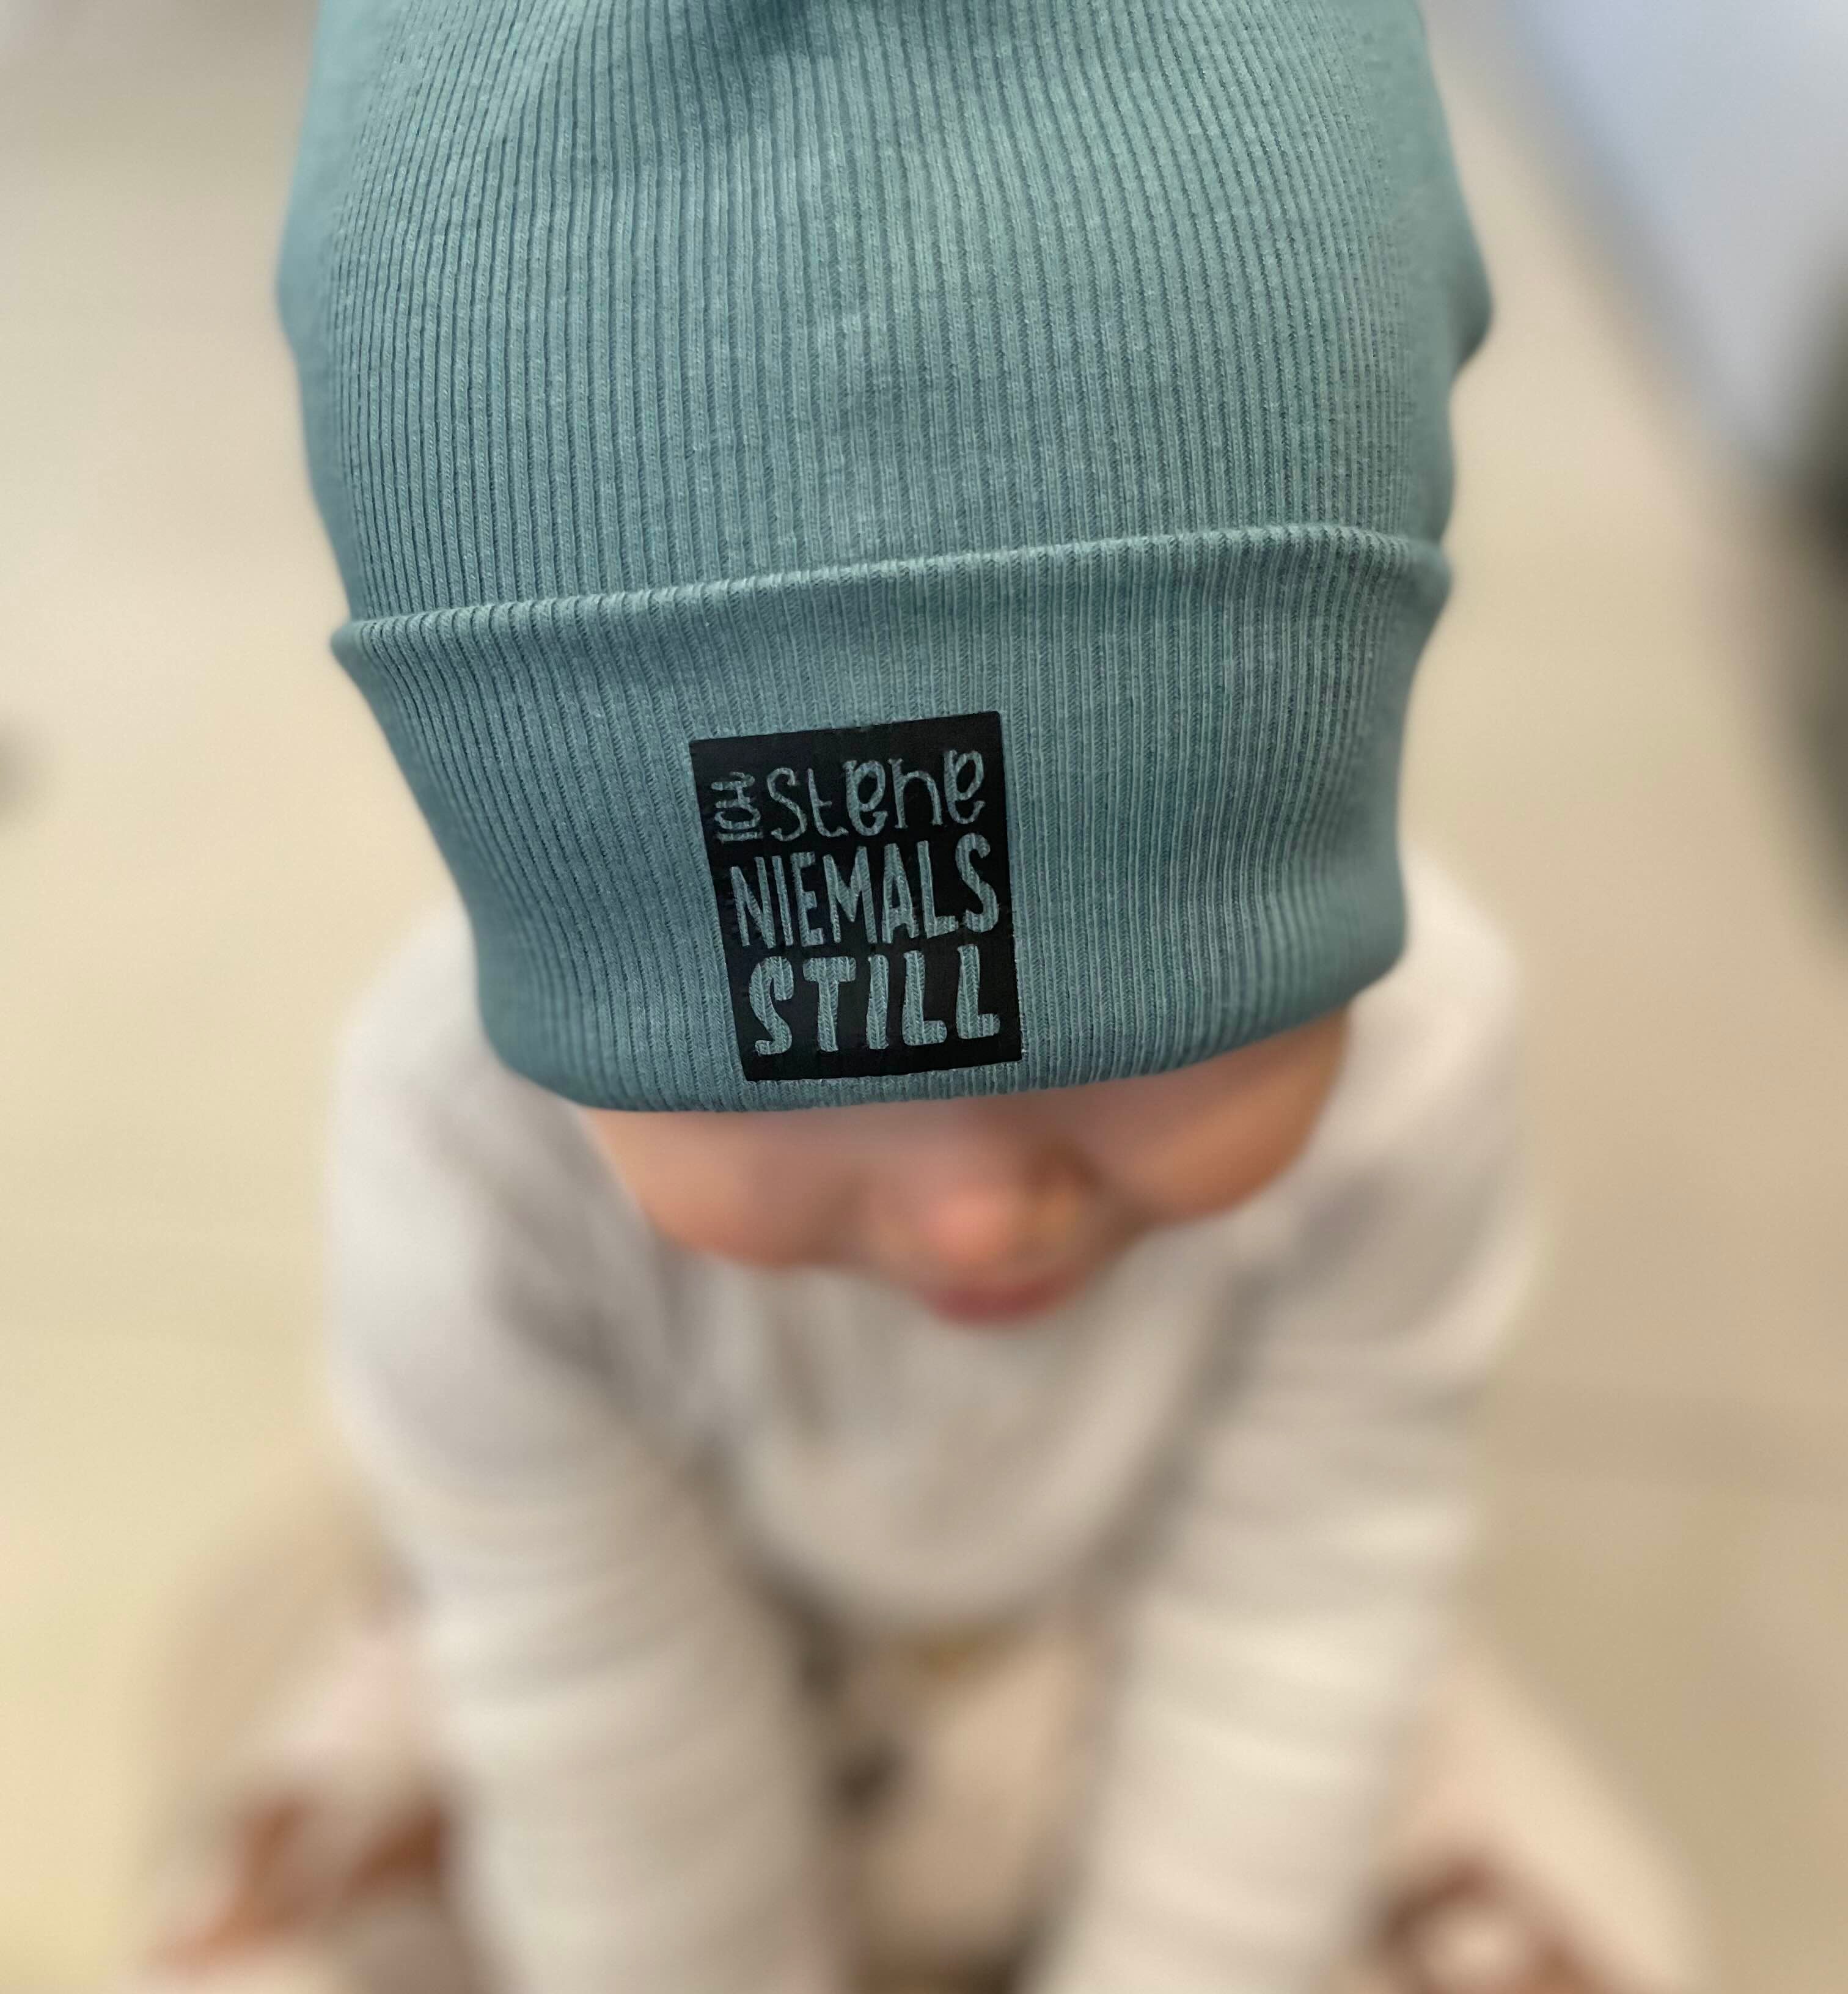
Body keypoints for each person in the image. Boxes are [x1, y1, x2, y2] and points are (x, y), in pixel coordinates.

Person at [159, 2, 1692, 1989]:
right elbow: (586, 1676)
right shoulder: (465, 1137)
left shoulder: (1416, 1070)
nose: (978, 1217)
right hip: (647, 1599)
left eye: (1154, 1023)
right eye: (775, 1066)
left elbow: (1308, 1577)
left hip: (1142, 1607)